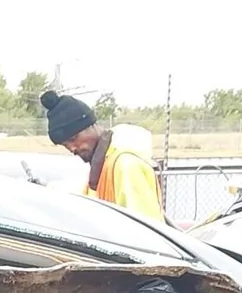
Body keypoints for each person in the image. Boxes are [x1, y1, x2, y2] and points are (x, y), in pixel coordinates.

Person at [40, 90, 166, 223]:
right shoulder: (101, 164)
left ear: (91, 126)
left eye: (73, 139)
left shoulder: (126, 165)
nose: (72, 148)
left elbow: (145, 227)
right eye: (65, 145)